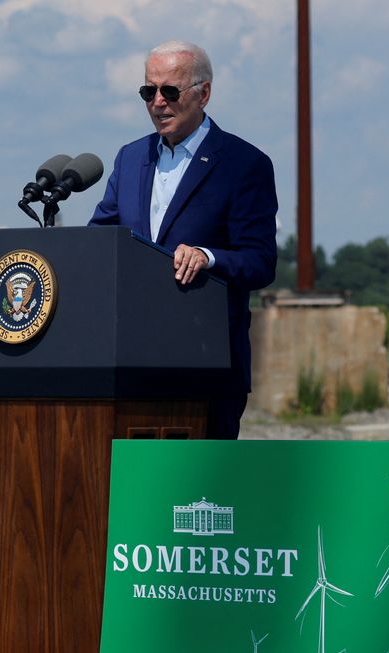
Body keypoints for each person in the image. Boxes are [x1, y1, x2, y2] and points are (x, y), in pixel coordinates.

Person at [90, 40, 278, 439]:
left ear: (204, 93)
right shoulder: (130, 157)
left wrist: (209, 258)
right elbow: (101, 243)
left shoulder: (245, 165)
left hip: (207, 368)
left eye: (170, 91)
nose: (158, 102)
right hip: (131, 365)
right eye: (149, 92)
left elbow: (260, 262)